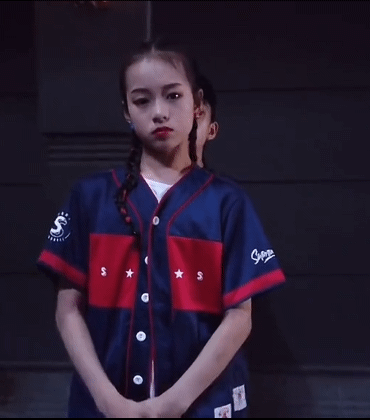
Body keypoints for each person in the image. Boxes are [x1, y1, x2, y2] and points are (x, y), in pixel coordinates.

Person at [37, 37, 286, 418]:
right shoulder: (89, 197)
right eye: (142, 101)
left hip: (204, 406)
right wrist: (108, 402)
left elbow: (239, 317)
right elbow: (67, 310)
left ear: (197, 103)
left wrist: (172, 404)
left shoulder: (227, 202)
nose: (159, 112)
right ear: (126, 111)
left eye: (173, 96)